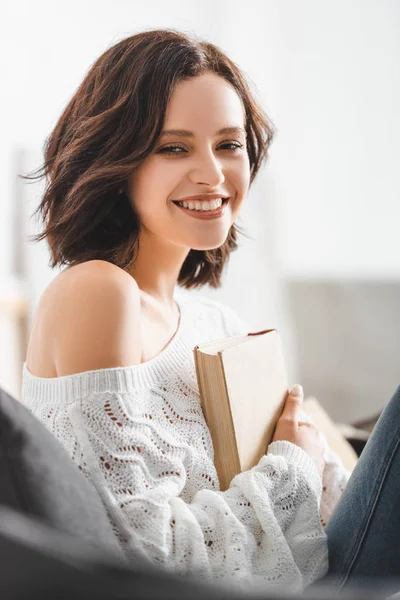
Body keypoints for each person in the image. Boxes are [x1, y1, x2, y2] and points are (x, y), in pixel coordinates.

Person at [19, 28, 398, 594]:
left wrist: (317, 460)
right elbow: (145, 551)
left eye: (229, 144)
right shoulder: (97, 292)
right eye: (174, 147)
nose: (213, 173)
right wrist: (293, 463)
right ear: (117, 159)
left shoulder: (216, 325)